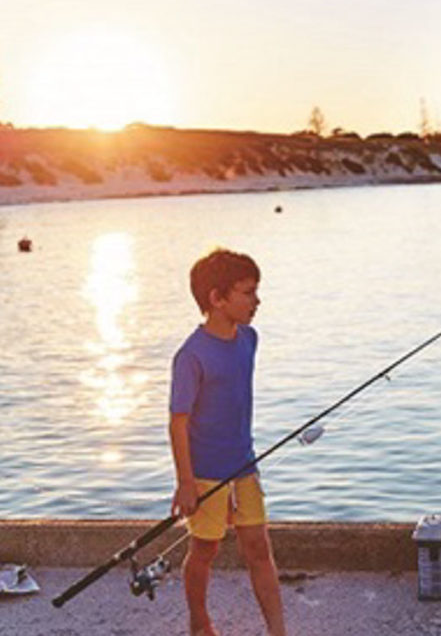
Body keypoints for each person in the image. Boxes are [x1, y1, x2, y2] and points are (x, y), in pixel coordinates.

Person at [168, 248, 286, 636]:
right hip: (205, 474)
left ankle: (277, 631)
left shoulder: (249, 339)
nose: (257, 301)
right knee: (204, 550)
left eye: (256, 291)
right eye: (247, 292)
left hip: (245, 467)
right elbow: (178, 423)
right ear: (217, 299)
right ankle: (199, 623)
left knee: (258, 549)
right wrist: (186, 482)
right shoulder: (191, 356)